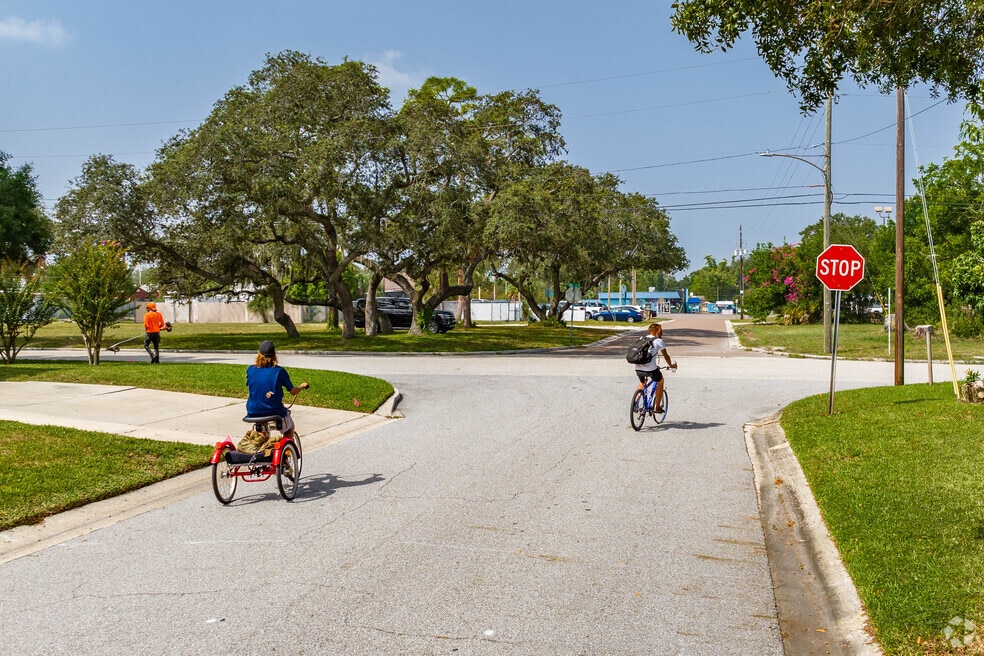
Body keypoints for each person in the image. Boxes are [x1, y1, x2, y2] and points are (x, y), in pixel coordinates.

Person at [246, 340, 309, 435]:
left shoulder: (250, 370)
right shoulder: (279, 371)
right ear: (274, 355)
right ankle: (287, 449)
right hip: (274, 410)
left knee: (262, 431)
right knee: (289, 428)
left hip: (253, 410)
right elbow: (293, 391)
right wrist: (302, 386)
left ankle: (265, 446)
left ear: (259, 354)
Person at [635, 323, 676, 413]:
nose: (662, 332)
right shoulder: (658, 341)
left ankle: (635, 403)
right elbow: (666, 356)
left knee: (643, 383)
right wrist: (671, 365)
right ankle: (657, 407)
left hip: (638, 367)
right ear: (656, 331)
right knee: (660, 381)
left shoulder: (642, 339)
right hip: (651, 369)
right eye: (660, 330)